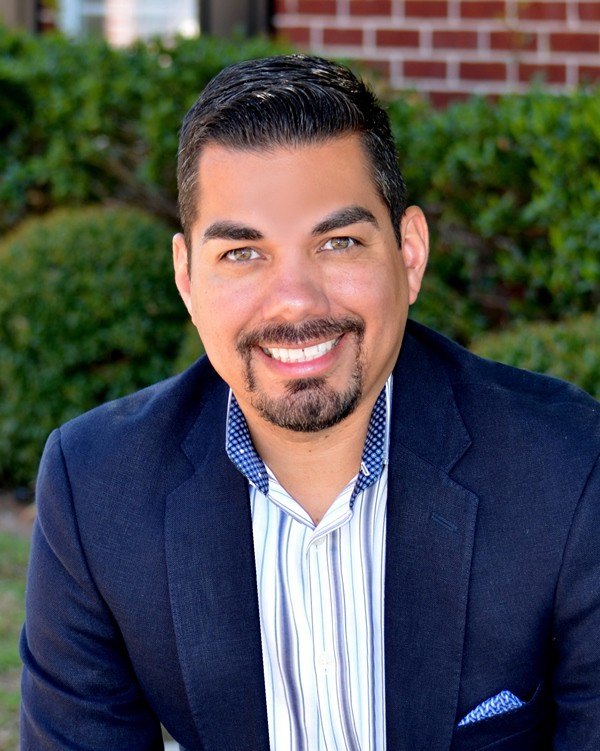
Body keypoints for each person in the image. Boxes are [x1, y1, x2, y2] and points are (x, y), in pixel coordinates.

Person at [20, 54, 600, 751]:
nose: (295, 301)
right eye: (242, 253)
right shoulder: (97, 489)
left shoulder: (568, 470)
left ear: (409, 254)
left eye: (338, 242)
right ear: (187, 278)